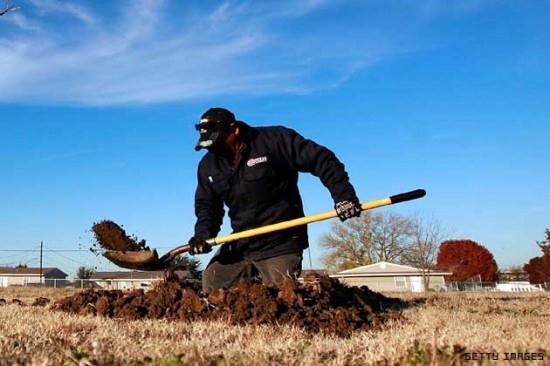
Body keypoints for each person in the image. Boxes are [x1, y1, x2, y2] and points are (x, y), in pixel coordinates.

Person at [189, 107, 361, 292]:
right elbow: (207, 205)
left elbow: (322, 160)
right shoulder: (208, 165)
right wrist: (203, 235)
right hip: (243, 240)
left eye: (218, 143)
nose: (215, 150)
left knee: (281, 293)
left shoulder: (274, 140)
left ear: (234, 130)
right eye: (209, 146)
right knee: (213, 283)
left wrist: (343, 197)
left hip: (282, 239)